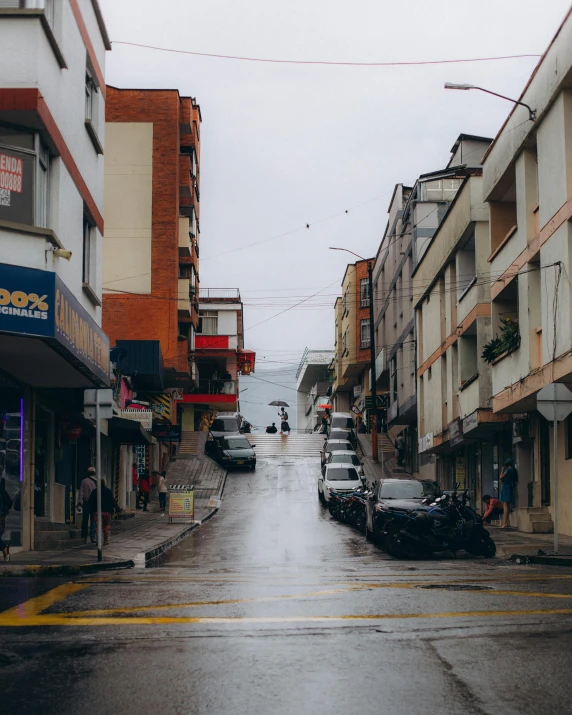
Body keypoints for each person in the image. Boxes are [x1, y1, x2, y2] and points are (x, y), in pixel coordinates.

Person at [88, 478, 120, 546]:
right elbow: (113, 501)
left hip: (97, 512)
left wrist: (90, 510)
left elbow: (90, 502)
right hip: (107, 512)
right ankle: (106, 540)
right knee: (105, 526)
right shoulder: (108, 491)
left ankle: (98, 540)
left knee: (98, 526)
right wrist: (118, 509)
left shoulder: (94, 491)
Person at [77, 466, 97, 543]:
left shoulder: (84, 481)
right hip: (94, 503)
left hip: (86, 502)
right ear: (94, 473)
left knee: (85, 519)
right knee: (93, 520)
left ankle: (84, 535)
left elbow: (81, 493)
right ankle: (92, 536)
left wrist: (79, 502)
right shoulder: (97, 482)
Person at [499, 457, 518, 528]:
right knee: (506, 504)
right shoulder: (512, 470)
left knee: (505, 505)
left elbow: (501, 477)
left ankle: (505, 522)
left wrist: (502, 470)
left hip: (506, 487)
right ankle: (505, 522)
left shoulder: (508, 470)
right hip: (508, 487)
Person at [0, 478, 13, 562]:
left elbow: (9, 502)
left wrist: (4, 512)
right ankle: (5, 549)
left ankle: (5, 549)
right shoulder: (3, 492)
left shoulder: (2, 492)